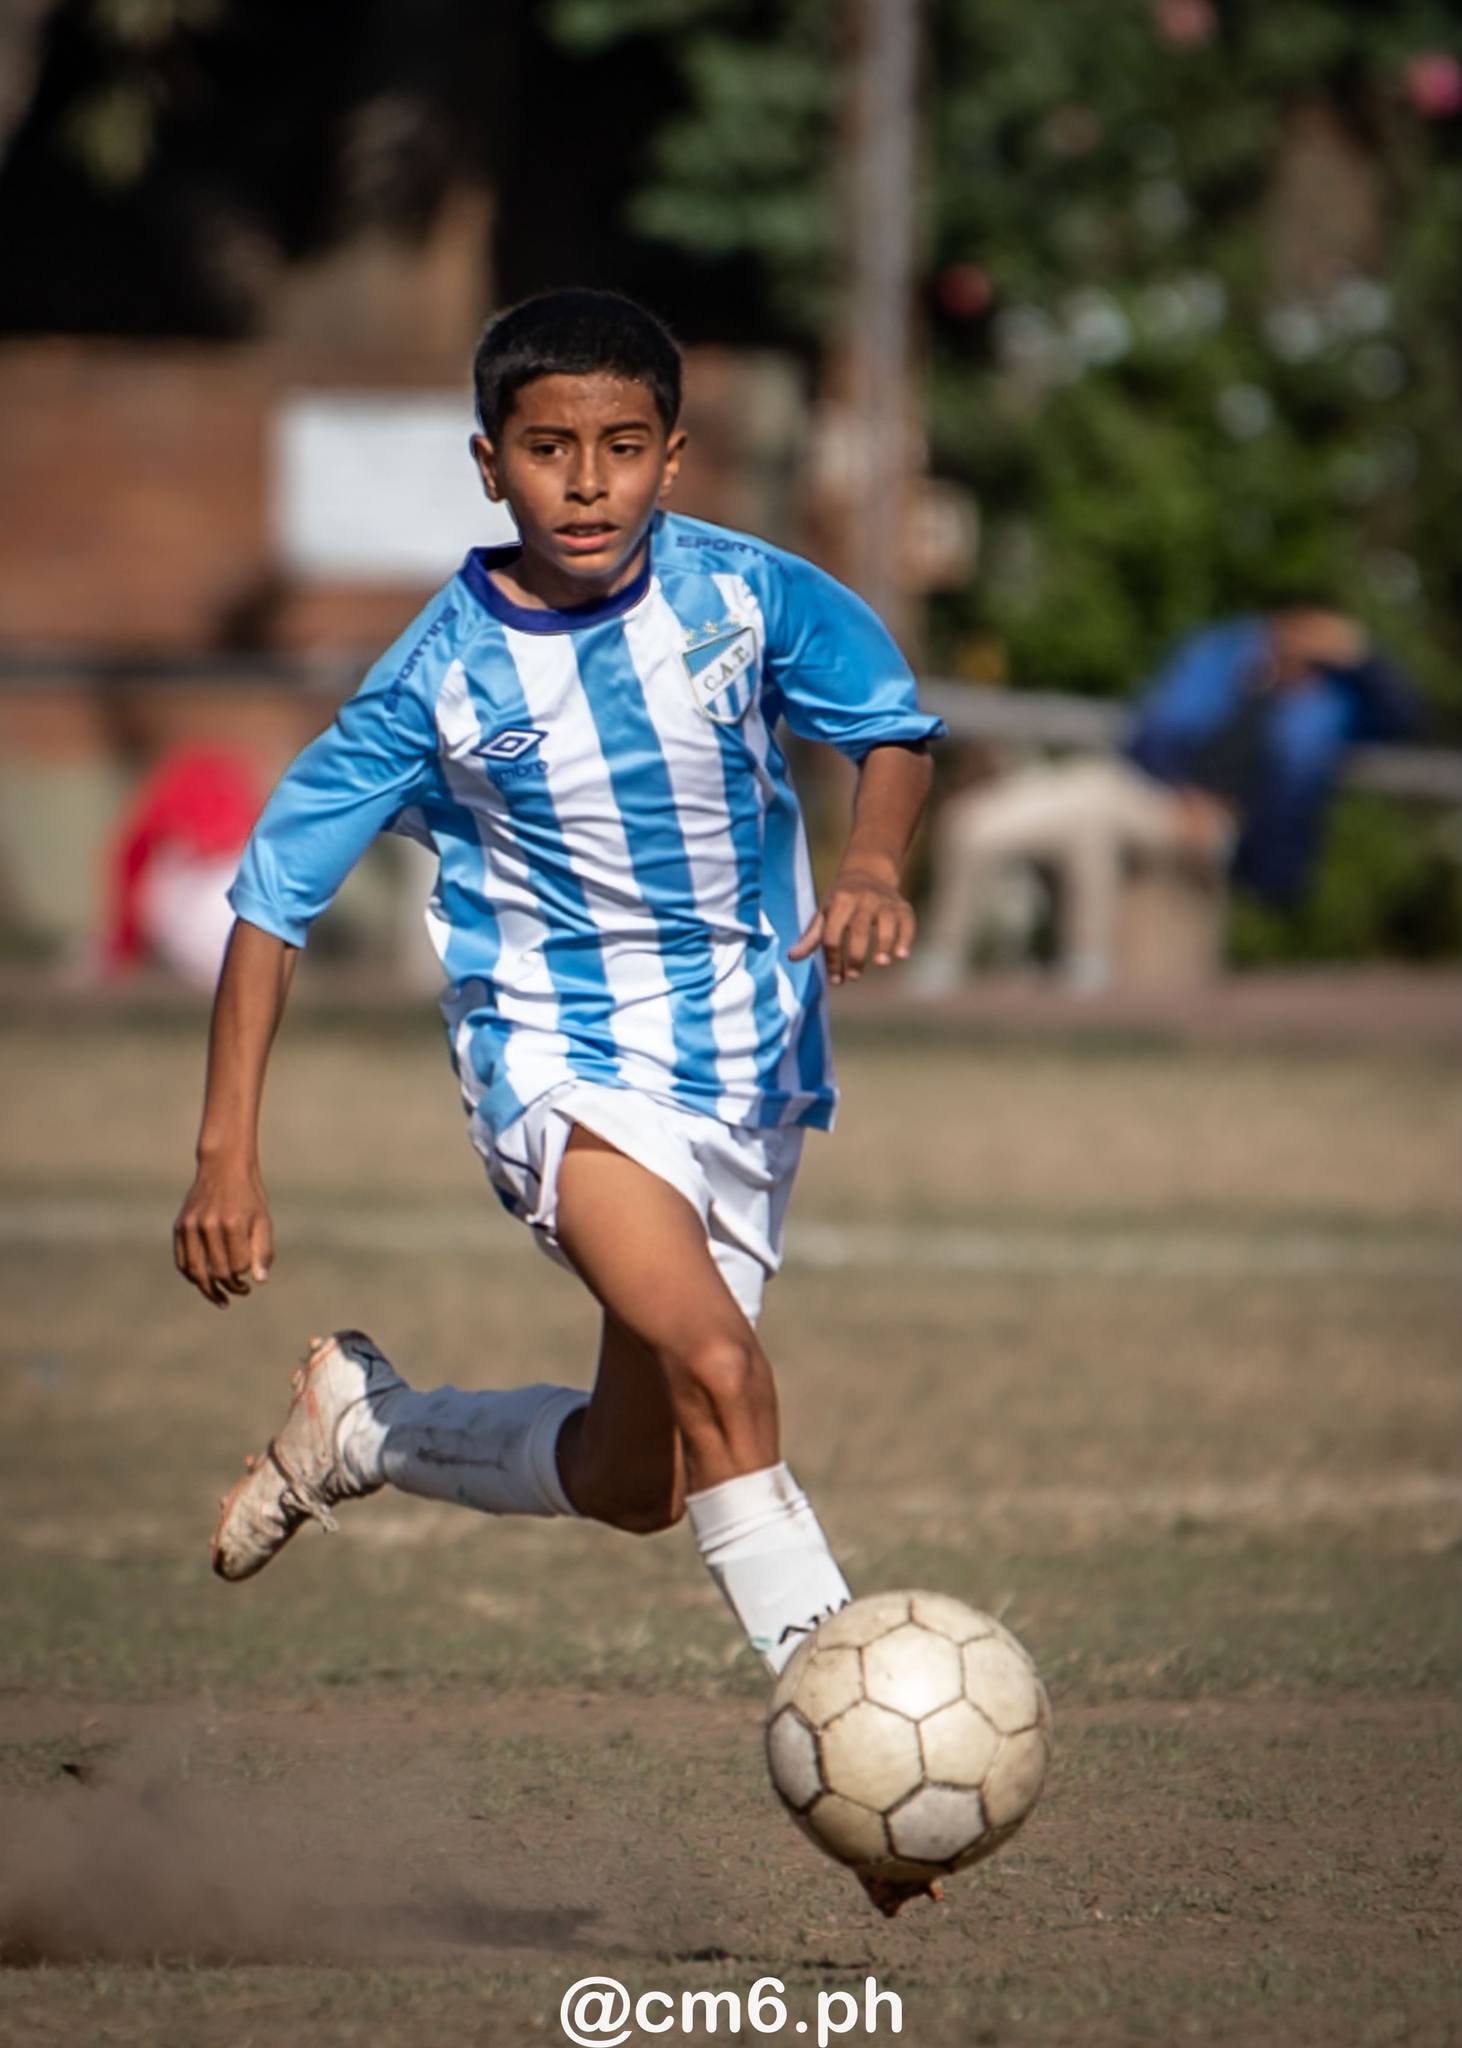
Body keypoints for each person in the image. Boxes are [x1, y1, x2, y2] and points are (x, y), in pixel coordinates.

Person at [173, 290, 942, 1901]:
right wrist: (224, 1154)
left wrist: (872, 863)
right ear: (487, 465)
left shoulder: (746, 597)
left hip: (744, 1064)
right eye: (546, 451)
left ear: (672, 454)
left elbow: (886, 721)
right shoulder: (436, 681)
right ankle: (850, 1750)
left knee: (637, 1482)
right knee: (724, 1365)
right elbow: (269, 898)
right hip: (560, 1062)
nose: (584, 483)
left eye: (617, 448)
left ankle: (367, 1431)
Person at [912, 608, 1419, 995]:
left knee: (1090, 822)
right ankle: (958, 961)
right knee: (985, 821)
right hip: (1138, 787)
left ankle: (1084, 967)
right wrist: (1184, 791)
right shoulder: (1225, 662)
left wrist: (1364, 657)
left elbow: (1407, 721)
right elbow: (1151, 735)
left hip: (1216, 826)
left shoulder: (1331, 705)